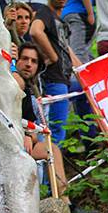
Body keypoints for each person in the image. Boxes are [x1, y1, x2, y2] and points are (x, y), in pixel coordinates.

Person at [31, 0, 82, 144]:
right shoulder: (45, 13)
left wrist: (82, 69)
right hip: (53, 79)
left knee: (85, 90)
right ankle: (52, 169)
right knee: (56, 128)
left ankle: (91, 142)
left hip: (65, 78)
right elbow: (35, 31)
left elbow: (65, 47)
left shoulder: (58, 19)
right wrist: (52, 56)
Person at [13, 43, 69, 196]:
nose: (28, 64)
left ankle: (64, 202)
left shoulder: (32, 89)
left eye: (33, 61)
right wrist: (25, 135)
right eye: (24, 59)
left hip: (29, 141)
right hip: (11, 142)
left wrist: (30, 136)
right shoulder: (11, 82)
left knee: (53, 149)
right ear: (16, 60)